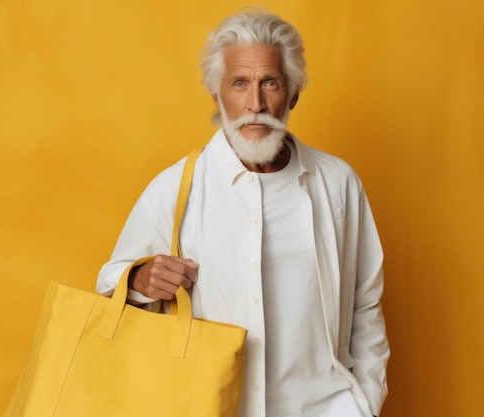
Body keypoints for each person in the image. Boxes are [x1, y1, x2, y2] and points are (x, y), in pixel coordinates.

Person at [97, 9, 389, 417]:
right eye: (240, 84)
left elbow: (365, 302)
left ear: (293, 93)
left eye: (270, 82)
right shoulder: (177, 187)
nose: (255, 103)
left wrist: (364, 404)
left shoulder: (337, 183)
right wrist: (142, 278)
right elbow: (108, 287)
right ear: (217, 96)